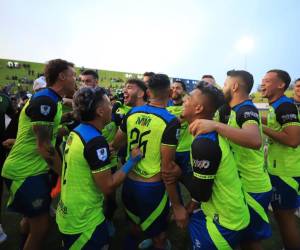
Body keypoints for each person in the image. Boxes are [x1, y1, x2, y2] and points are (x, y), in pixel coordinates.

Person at [190, 71, 272, 250]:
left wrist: (216, 125)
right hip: (242, 185)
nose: (222, 87)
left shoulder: (246, 109)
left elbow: (254, 140)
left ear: (234, 87)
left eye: (225, 84)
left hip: (253, 186)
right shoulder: (230, 110)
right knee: (240, 238)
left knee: (251, 240)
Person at [1, 59, 76, 250]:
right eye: (73, 75)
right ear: (62, 76)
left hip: (33, 169)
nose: (75, 80)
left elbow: (48, 132)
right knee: (41, 227)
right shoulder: (46, 101)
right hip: (24, 171)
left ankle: (22, 243)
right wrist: (66, 175)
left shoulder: (53, 100)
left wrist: (67, 123)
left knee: (31, 220)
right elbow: (44, 146)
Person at [56, 87, 141, 249]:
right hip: (84, 218)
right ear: (100, 111)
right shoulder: (95, 140)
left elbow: (83, 159)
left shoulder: (78, 131)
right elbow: (108, 186)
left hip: (68, 211)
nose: (112, 108)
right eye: (109, 104)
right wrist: (132, 160)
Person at [112, 74, 186, 250]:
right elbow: (167, 168)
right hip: (152, 190)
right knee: (159, 236)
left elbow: (116, 142)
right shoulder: (169, 121)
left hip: (129, 183)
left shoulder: (131, 113)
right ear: (169, 92)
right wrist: (177, 205)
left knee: (135, 228)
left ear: (148, 92)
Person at [181, 82, 250, 249]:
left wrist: (179, 173)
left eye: (188, 98)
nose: (184, 100)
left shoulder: (204, 142)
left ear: (198, 108)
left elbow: (201, 193)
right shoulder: (205, 133)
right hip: (227, 212)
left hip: (225, 221)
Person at [261, 69, 300, 250]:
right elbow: (275, 123)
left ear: (281, 85)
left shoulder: (285, 106)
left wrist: (261, 127)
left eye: (268, 81)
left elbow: (293, 140)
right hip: (279, 169)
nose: (263, 84)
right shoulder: (276, 106)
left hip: (287, 172)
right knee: (280, 215)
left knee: (285, 219)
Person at [167, 80, 193, 178]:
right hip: (169, 149)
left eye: (177, 88)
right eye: (172, 88)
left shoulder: (189, 106)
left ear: (184, 91)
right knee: (170, 180)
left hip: (186, 150)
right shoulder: (164, 106)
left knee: (188, 179)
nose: (174, 90)